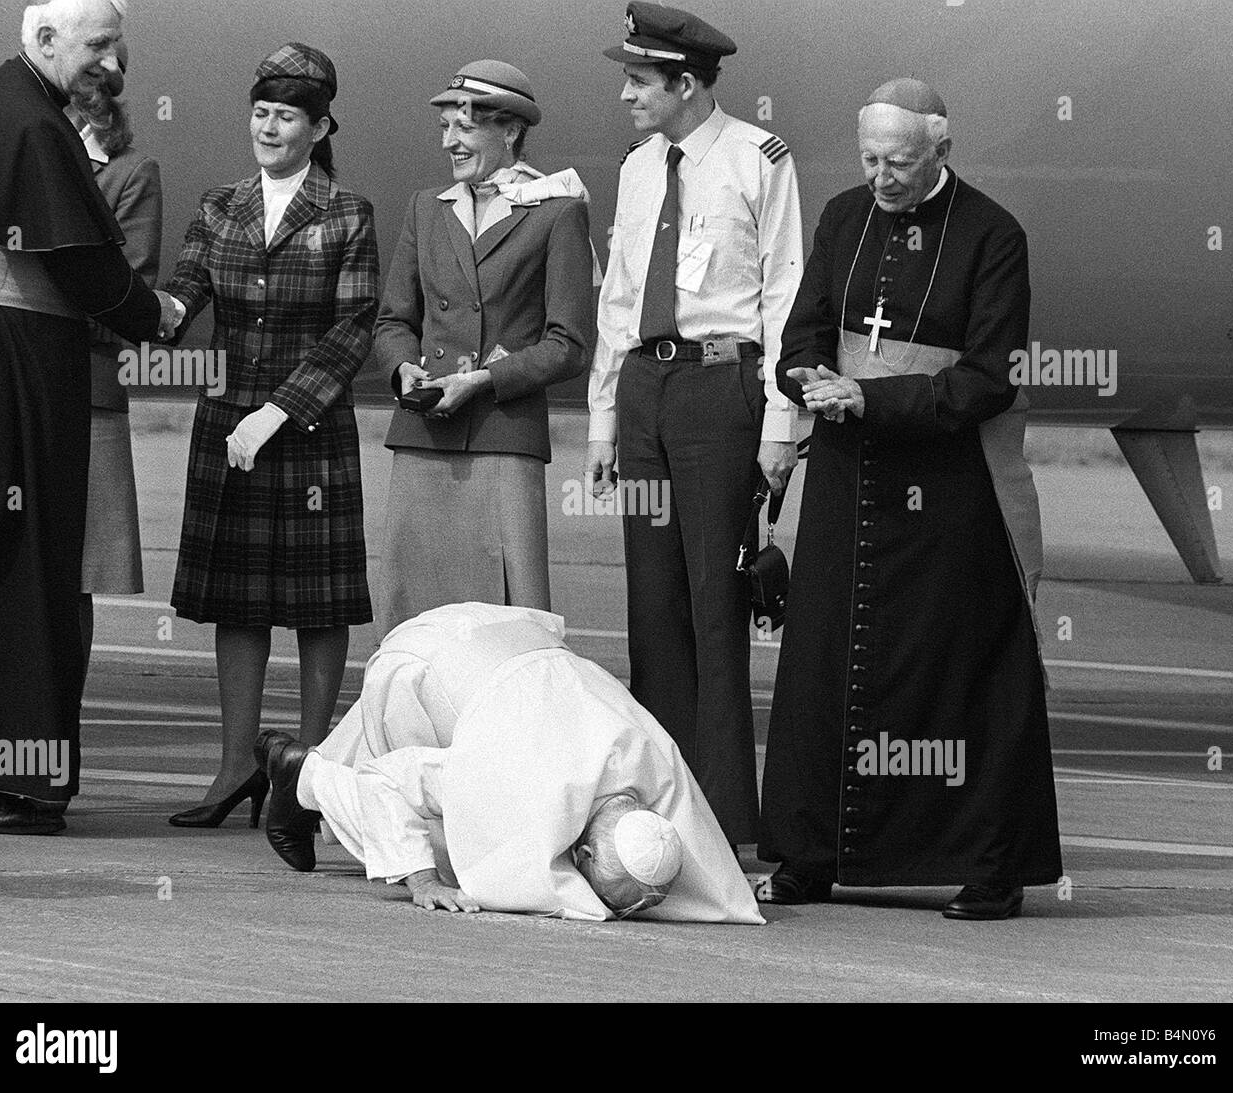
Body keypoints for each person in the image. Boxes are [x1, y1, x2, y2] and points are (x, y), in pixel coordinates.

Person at [757, 79, 1062, 919]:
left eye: (898, 162)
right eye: (869, 159)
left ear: (940, 151)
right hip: (848, 481)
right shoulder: (843, 217)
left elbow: (989, 377)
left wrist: (873, 399)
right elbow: (804, 327)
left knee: (956, 672)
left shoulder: (995, 234)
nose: (881, 178)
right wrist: (809, 376)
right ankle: (809, 854)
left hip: (948, 490)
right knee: (825, 663)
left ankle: (987, 867)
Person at [586, 3, 803, 847]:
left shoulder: (759, 160)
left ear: (684, 83)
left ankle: (727, 824)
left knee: (717, 599)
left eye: (638, 81)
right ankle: (656, 806)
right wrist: (604, 419)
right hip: (645, 388)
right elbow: (617, 297)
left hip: (721, 390)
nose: (626, 94)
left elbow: (784, 292)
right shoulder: (639, 166)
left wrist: (780, 424)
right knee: (653, 601)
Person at [0, 0, 171, 835]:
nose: (111, 62)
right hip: (17, 364)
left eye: (118, 46)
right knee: (22, 570)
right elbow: (86, 264)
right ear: (44, 40)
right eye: (97, 45)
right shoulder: (35, 126)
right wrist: (148, 313)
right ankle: (2, 781)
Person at [163, 43, 379, 828]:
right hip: (228, 425)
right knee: (239, 601)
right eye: (261, 112)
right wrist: (147, 311)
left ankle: (308, 776)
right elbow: (182, 293)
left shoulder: (348, 211)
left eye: (286, 116)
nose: (269, 127)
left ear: (320, 127)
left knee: (319, 606)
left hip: (307, 426)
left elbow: (353, 329)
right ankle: (233, 768)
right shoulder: (220, 205)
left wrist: (277, 409)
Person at [254, 602, 763, 923]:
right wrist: (421, 880)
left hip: (504, 637)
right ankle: (306, 779)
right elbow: (390, 780)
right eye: (622, 903)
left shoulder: (654, 766)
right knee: (437, 826)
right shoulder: (523, 781)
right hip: (421, 659)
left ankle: (298, 766)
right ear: (582, 855)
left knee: (465, 803)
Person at [372, 60, 596, 637]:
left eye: (465, 128)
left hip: (503, 434)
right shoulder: (427, 208)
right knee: (414, 620)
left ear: (510, 131)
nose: (450, 141)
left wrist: (483, 381)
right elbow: (394, 320)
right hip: (422, 434)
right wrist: (402, 371)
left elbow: (569, 345)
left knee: (502, 625)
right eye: (445, 127)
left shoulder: (559, 210)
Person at [72, 40, 160, 702]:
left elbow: (127, 301)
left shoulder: (130, 173)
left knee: (71, 575)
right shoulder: (6, 158)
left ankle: (47, 747)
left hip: (86, 395)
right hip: (2, 387)